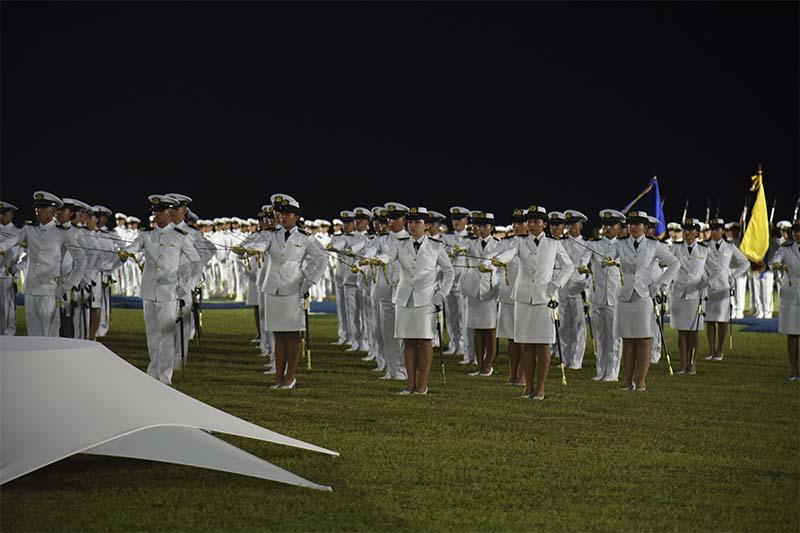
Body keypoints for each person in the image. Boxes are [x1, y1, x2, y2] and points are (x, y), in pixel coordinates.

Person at [244, 193, 327, 389]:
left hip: (293, 288)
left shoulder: (306, 238)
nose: (282, 217)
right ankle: (278, 377)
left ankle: (290, 377)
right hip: (273, 288)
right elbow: (260, 245)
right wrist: (250, 251)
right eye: (280, 213)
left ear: (296, 216)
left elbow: (321, 258)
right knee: (278, 335)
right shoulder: (271, 234)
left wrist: (310, 280)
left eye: (287, 213)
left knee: (293, 335)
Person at [491, 204, 574, 400]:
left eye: (536, 221)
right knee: (526, 344)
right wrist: (498, 260)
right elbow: (509, 254)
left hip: (544, 298)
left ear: (544, 224)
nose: (532, 224)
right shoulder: (520, 242)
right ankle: (528, 387)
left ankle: (541, 388)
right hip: (523, 297)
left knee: (543, 344)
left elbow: (568, 266)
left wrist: (556, 283)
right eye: (530, 221)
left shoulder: (554, 244)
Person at [119, 195, 201, 384]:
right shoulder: (146, 235)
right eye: (154, 211)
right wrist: (126, 253)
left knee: (166, 336)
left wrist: (187, 285)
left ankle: (164, 376)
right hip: (149, 292)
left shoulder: (180, 236)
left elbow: (196, 263)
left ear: (170, 212)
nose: (156, 214)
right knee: (152, 336)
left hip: (168, 293)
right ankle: (152, 373)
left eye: (160, 210)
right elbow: (134, 246)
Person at [373, 207, 455, 395]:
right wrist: (380, 260)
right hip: (404, 298)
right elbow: (388, 256)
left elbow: (449, 272)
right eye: (410, 222)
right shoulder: (400, 243)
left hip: (426, 300)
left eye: (417, 222)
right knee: (408, 342)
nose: (412, 225)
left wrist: (442, 292)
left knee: (425, 341)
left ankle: (422, 385)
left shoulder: (436, 246)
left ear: (426, 225)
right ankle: (410, 384)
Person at [604, 210, 679, 391]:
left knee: (644, 340)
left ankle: (641, 381)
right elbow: (606, 256)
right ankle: (628, 381)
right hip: (625, 297)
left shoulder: (654, 246)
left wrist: (660, 283)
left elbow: (675, 263)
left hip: (644, 297)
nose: (634, 227)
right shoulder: (621, 244)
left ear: (645, 227)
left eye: (638, 224)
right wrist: (606, 260)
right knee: (628, 340)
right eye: (631, 224)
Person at [1, 191, 87, 337]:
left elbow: (81, 260)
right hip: (31, 289)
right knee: (33, 335)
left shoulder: (63, 233)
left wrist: (68, 285)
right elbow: (11, 242)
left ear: (53, 211)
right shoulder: (29, 229)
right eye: (37, 207)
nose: (38, 210)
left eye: (43, 207)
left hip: (50, 290)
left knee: (49, 335)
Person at [703, 218, 749, 361]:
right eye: (713, 229)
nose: (715, 232)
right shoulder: (704, 246)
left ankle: (720, 350)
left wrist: (733, 276)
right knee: (709, 320)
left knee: (722, 320)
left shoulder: (729, 247)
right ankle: (711, 350)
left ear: (722, 231)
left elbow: (745, 263)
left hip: (723, 287)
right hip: (709, 287)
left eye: (718, 230)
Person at [461, 211, 501, 376]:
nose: (481, 229)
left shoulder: (498, 244)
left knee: (490, 329)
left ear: (491, 227)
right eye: (478, 226)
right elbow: (462, 248)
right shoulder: (471, 242)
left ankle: (488, 365)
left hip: (489, 289)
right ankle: (479, 364)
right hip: (474, 289)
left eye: (484, 226)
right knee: (476, 329)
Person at [587, 209, 625, 382]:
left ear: (618, 227)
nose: (608, 229)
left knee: (614, 337)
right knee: (600, 336)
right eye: (605, 225)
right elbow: (583, 258)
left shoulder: (624, 246)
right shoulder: (594, 245)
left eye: (611, 225)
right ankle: (601, 370)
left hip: (615, 297)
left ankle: (613, 372)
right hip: (598, 297)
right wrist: (582, 266)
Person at [670, 218, 709, 375]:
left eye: (690, 230)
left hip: (695, 295)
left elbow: (710, 272)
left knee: (693, 332)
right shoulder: (675, 248)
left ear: (697, 233)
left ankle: (692, 364)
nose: (687, 233)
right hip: (679, 293)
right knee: (682, 332)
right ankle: (682, 364)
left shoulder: (704, 250)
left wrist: (704, 287)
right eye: (685, 229)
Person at [497, 209, 527, 385]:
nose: (517, 226)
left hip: (523, 296)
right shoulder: (505, 243)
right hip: (508, 295)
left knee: (523, 338)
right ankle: (512, 373)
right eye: (515, 222)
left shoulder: (531, 244)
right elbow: (494, 256)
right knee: (511, 339)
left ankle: (523, 376)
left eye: (521, 222)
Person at [560, 210, 592, 369]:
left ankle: (576, 361)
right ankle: (565, 359)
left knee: (578, 326)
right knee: (564, 325)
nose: (570, 227)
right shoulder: (560, 242)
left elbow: (588, 266)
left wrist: (585, 282)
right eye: (568, 224)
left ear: (580, 225)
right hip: (562, 288)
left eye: (573, 224)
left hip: (578, 288)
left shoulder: (588, 244)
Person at [441, 206, 472, 363]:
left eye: (459, 219)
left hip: (463, 282)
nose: (456, 222)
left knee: (463, 317)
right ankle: (454, 345)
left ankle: (465, 348)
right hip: (449, 282)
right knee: (451, 316)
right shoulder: (446, 238)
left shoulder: (470, 238)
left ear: (466, 220)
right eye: (453, 219)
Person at [770, 220, 800, 380]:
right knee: (792, 334)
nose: (797, 234)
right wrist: (778, 266)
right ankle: (793, 370)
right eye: (795, 231)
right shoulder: (786, 249)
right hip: (790, 297)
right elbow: (773, 261)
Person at [0, 201, 22, 335]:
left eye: (4, 213)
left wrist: (18, 267)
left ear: (11, 214)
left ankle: (7, 338)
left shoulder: (17, 232)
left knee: (7, 312)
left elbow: (28, 255)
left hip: (6, 275)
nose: (1, 216)